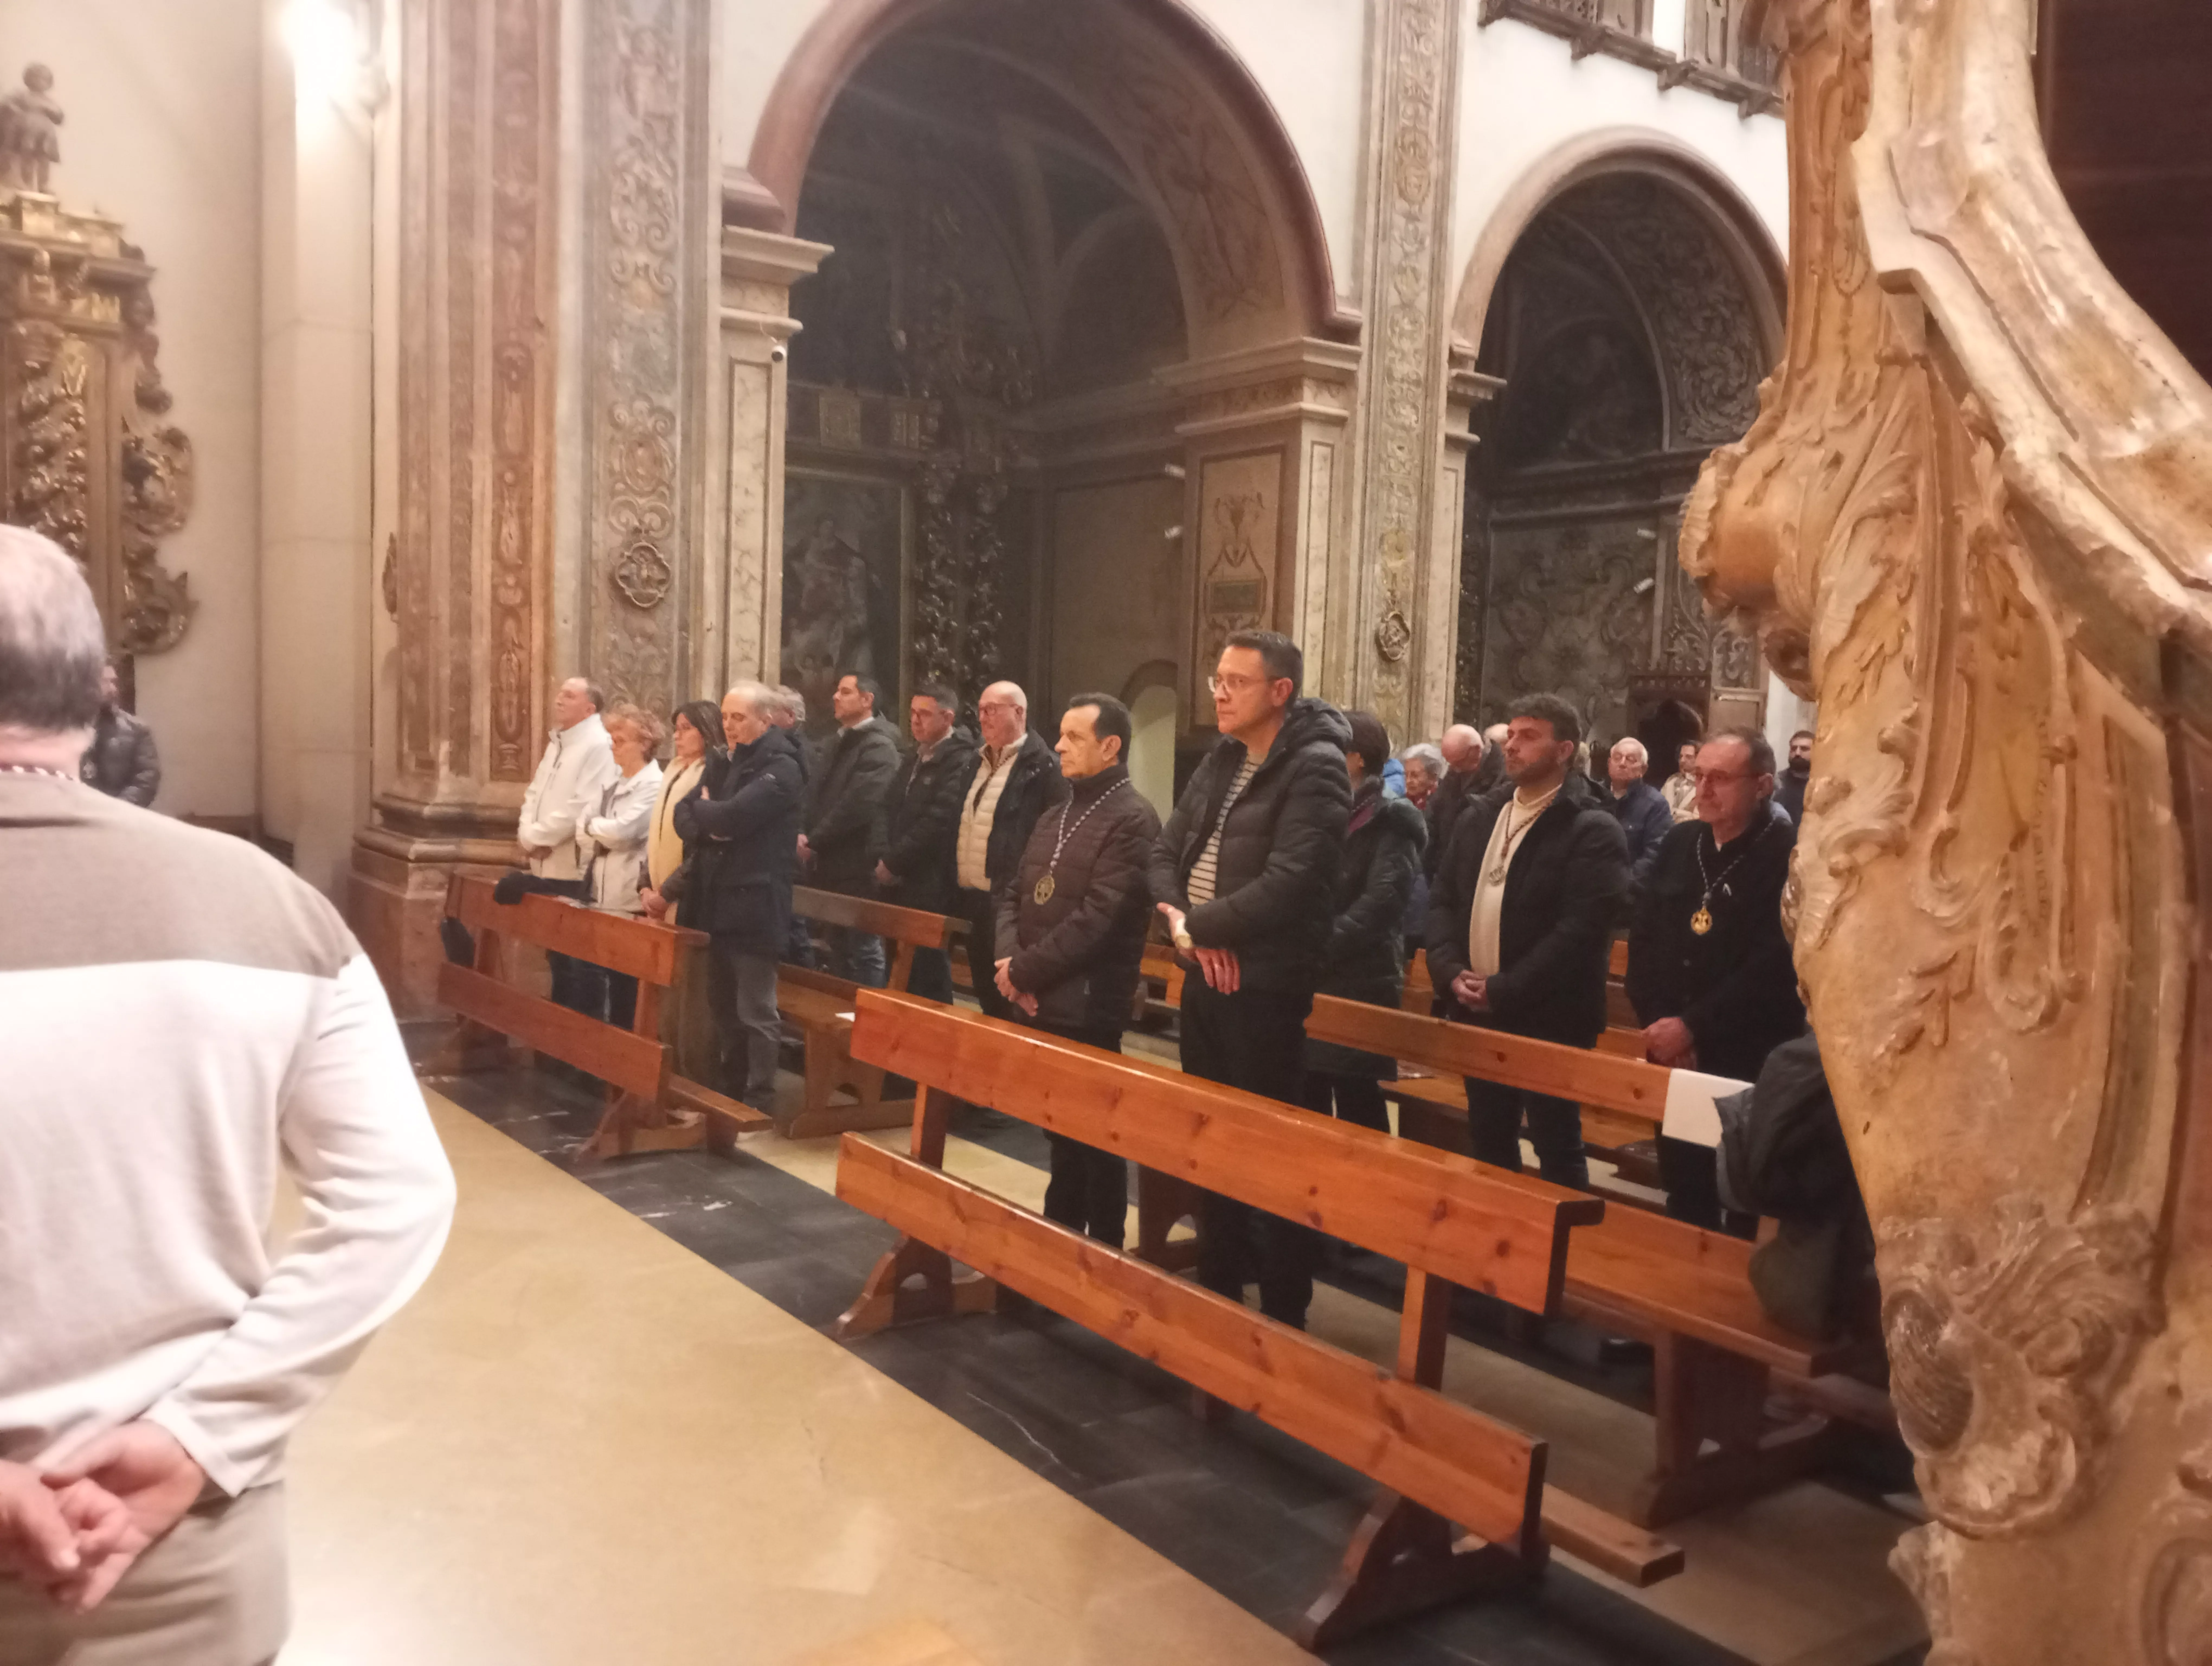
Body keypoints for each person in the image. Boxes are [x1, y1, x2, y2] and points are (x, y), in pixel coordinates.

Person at [0, 526, 454, 1659]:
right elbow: (399, 1198)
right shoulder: (268, 907)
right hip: (175, 1559)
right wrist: (201, 1434)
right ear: (92, 695)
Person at [1150, 630, 1351, 1329]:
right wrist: (1188, 934)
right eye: (1217, 677)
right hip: (1203, 972)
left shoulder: (1317, 767)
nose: (1219, 690)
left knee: (1266, 1154)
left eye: (1236, 680)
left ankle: (1284, 1303)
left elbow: (1292, 882)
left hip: (1264, 985)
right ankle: (1219, 1280)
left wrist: (1198, 928)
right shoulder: (1222, 757)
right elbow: (1163, 852)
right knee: (1210, 1140)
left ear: (1279, 692)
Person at [1425, 693, 1628, 1188]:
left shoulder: (1591, 827)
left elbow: (1580, 931)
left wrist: (1506, 987)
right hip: (1478, 1006)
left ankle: (1562, 1257)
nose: (1511, 746)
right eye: (1510, 735)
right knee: (1489, 1137)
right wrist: (1451, 971)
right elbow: (1443, 900)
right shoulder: (1482, 814)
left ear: (1564, 750)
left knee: (1556, 1142)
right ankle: (1496, 1249)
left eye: (1528, 736)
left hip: (1550, 1015)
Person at [994, 694, 1162, 1246]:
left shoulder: (1134, 818)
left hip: (1089, 1003)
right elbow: (1015, 895)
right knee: (1060, 1134)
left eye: (1075, 738)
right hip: (1041, 991)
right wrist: (1009, 963)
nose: (1060, 746)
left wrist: (1023, 974)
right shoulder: (1057, 812)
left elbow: (1099, 920)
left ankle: (1106, 1248)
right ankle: (1061, 1239)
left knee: (1094, 1139)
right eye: (1061, 734)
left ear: (1111, 747)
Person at [1628, 728, 1805, 1230]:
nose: (1703, 790)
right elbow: (1645, 939)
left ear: (1764, 784)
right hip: (1672, 1047)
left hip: (1748, 1049)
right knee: (1685, 1186)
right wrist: (1664, 1026)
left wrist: (1694, 1025)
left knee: (1743, 1189)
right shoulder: (1684, 842)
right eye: (1698, 775)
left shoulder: (1790, 856)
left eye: (1721, 778)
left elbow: (1775, 963)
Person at [673, 683, 805, 1113]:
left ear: (765, 721)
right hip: (718, 902)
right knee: (723, 1006)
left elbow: (731, 816)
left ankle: (760, 1099)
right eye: (726, 717)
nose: (728, 726)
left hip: (756, 905)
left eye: (739, 718)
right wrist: (714, 821)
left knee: (756, 1011)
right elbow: (685, 814)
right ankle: (730, 1090)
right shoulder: (726, 762)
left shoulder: (782, 768)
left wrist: (715, 817)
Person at [1303, 710, 1427, 1133]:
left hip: (1361, 976)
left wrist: (1319, 945)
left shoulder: (1390, 819)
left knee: (1357, 1097)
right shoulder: (1324, 809)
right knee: (1307, 1092)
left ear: (1356, 758)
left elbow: (1382, 902)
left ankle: (1366, 1192)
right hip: (1314, 973)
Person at [953, 681, 1064, 1019]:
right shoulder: (975, 761)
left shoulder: (1044, 767)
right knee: (986, 996)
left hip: (1009, 902)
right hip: (973, 898)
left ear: (1018, 712)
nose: (983, 718)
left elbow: (1051, 838)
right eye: (981, 710)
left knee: (1009, 1002)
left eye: (992, 710)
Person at [517, 675, 619, 1014]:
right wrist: (527, 836)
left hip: (571, 866)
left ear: (590, 708)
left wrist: (539, 837)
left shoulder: (598, 745)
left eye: (570, 695)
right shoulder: (558, 742)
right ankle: (559, 1040)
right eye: (560, 693)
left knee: (578, 962)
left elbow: (582, 805)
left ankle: (579, 1043)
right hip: (544, 860)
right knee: (556, 956)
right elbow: (535, 793)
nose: (559, 699)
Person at [640, 700, 723, 1085]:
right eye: (676, 727)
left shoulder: (713, 775)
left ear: (707, 732)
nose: (678, 734)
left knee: (691, 1000)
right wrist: (646, 884)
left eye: (687, 727)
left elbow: (703, 849)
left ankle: (693, 1082)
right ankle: (664, 1072)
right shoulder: (672, 770)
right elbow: (654, 835)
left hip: (688, 900)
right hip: (659, 896)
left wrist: (668, 891)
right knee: (665, 996)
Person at [876, 684, 976, 1004]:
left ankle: (936, 1035)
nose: (915, 721)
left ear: (948, 718)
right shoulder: (913, 756)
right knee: (899, 967)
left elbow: (938, 821)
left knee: (928, 968)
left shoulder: (961, 760)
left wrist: (895, 862)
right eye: (913, 713)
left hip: (929, 881)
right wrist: (882, 855)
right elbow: (885, 806)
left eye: (924, 714)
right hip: (898, 879)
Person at [800, 672, 901, 986]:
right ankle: (843, 1014)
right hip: (833, 863)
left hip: (858, 863)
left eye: (845, 692)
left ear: (867, 700)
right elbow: (815, 794)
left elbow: (858, 805)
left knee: (864, 948)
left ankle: (868, 1014)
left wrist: (815, 840)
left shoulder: (879, 747)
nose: (835, 697)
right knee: (839, 947)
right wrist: (806, 831)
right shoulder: (840, 741)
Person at [573, 703, 665, 1033]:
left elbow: (625, 834)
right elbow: (582, 828)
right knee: (594, 980)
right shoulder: (612, 782)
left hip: (628, 895)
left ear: (644, 743)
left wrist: (596, 830)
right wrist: (600, 833)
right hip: (600, 892)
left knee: (625, 988)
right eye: (612, 739)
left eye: (621, 740)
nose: (614, 746)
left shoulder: (654, 785)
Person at [77, 661, 158, 807]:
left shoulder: (137, 730)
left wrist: (114, 810)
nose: (112, 689)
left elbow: (146, 781)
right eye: (104, 682)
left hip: (120, 817)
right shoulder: (62, 728)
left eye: (114, 682)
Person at [1603, 736, 1674, 888]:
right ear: (1609, 764)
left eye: (1630, 760)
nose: (1622, 764)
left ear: (1643, 769)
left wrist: (1623, 885)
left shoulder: (1656, 804)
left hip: (1630, 892)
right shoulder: (1594, 796)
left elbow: (1655, 853)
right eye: (1617, 758)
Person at [1422, 724, 1490, 878]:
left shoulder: (1499, 777)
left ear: (1475, 751)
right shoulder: (1455, 773)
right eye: (1450, 763)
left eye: (1458, 763)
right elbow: (1434, 813)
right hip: (1444, 867)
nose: (1454, 768)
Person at [1774, 728, 1814, 825]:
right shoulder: (1777, 783)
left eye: (1804, 749)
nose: (1798, 753)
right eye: (1794, 749)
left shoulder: (1824, 784)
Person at [1662, 740, 1701, 822]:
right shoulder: (1671, 781)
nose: (1682, 761)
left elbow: (1700, 819)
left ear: (1699, 759)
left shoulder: (1703, 785)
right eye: (1681, 757)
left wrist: (1677, 814)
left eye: (1689, 757)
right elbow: (1659, 808)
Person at [1399, 742, 1443, 810]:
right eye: (1406, 775)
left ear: (1432, 776)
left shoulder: (1443, 802)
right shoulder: (1403, 801)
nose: (1408, 781)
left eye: (1415, 776)